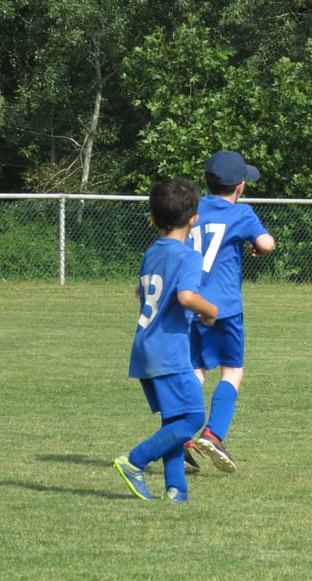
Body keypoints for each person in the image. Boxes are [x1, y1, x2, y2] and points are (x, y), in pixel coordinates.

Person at [114, 177, 218, 502]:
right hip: (169, 351)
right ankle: (135, 460)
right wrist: (210, 310)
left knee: (173, 418)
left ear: (152, 219)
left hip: (145, 346)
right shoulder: (188, 256)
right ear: (194, 220)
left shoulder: (152, 252)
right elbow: (187, 296)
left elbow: (140, 293)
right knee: (193, 418)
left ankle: (177, 490)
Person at [184, 150, 275, 474]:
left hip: (188, 302)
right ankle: (213, 434)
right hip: (224, 308)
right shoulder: (242, 213)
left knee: (195, 371)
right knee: (232, 371)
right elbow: (266, 244)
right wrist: (257, 244)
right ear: (240, 187)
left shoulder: (192, 208)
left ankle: (181, 438)